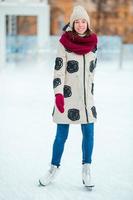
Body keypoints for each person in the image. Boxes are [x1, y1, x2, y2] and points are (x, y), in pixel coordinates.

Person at [39, 5, 98, 188]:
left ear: (87, 23)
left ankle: (86, 169)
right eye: (77, 21)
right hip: (66, 97)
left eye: (83, 21)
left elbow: (90, 73)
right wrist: (58, 94)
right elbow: (58, 71)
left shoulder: (93, 43)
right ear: (72, 23)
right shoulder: (64, 42)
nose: (80, 25)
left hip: (86, 98)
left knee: (88, 133)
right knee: (61, 135)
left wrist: (90, 92)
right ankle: (53, 168)